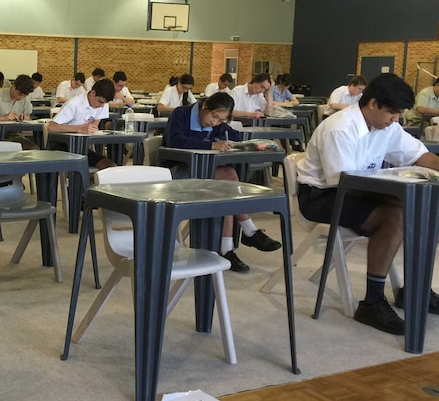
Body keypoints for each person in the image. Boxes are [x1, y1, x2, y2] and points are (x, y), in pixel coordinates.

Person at [296, 73, 439, 335]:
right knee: (396, 216)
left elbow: (419, 154)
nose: (396, 119)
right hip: (322, 196)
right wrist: (397, 195)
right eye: (392, 113)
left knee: (427, 208)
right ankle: (372, 302)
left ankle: (416, 289)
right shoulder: (340, 128)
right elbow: (346, 184)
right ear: (373, 104)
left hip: (360, 189)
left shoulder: (387, 126)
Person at [162, 92, 282, 272]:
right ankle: (245, 233)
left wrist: (246, 143)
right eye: (214, 116)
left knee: (227, 185)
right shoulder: (182, 114)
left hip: (203, 173)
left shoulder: (217, 124)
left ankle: (228, 247)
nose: (214, 122)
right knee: (229, 178)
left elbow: (233, 135)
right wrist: (212, 145)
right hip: (176, 173)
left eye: (220, 120)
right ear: (204, 107)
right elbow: (175, 140)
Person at [49, 78, 117, 169]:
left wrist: (92, 128)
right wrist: (79, 129)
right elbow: (51, 127)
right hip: (62, 146)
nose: (101, 106)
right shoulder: (74, 104)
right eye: (100, 102)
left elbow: (94, 124)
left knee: (110, 167)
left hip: (82, 147)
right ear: (93, 93)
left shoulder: (102, 104)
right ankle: (82, 181)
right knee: (80, 165)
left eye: (104, 103)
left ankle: (91, 182)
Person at [0, 74, 37, 150]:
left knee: (33, 148)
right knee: (1, 150)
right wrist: (3, 117)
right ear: (14, 86)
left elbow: (28, 115)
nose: (21, 98)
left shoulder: (26, 98)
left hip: (13, 134)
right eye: (19, 94)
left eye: (24, 96)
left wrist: (25, 117)